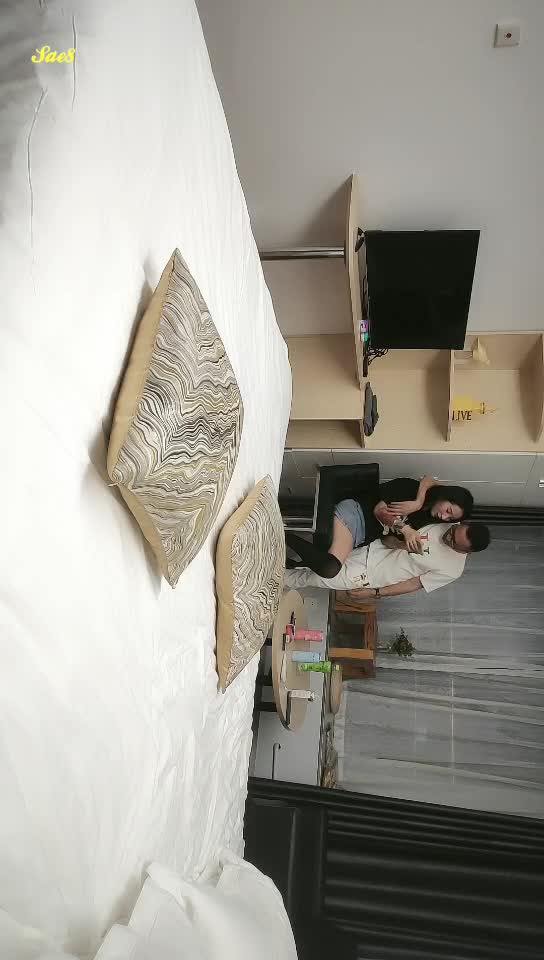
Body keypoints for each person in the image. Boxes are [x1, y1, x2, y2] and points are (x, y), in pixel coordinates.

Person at [286, 475, 474, 579]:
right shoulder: (409, 487)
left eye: (449, 518)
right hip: (355, 514)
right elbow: (379, 511)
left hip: (360, 536)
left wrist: (403, 545)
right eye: (448, 510)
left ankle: (287, 553)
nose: (444, 516)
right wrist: (406, 525)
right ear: (446, 496)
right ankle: (281, 535)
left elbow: (386, 541)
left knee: (326, 565)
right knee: (330, 568)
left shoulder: (423, 519)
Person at [284, 519, 491, 599]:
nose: (447, 536)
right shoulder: (446, 520)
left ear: (467, 551)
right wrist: (401, 543)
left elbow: (412, 584)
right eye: (453, 531)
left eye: (453, 542)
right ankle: (277, 545)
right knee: (316, 560)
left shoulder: (453, 570)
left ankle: (270, 579)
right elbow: (391, 537)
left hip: (369, 575)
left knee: (311, 578)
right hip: (369, 547)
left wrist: (375, 593)